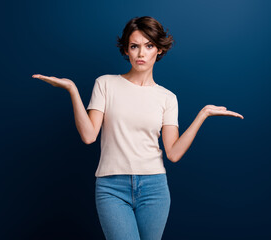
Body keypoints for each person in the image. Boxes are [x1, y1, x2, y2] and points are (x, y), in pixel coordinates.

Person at [32, 16, 243, 240]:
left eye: (149, 46)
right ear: (126, 49)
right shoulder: (105, 84)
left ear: (159, 50)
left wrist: (203, 115)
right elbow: (88, 135)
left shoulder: (167, 98)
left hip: (155, 188)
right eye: (134, 46)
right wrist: (73, 90)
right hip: (112, 187)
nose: (141, 54)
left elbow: (173, 153)